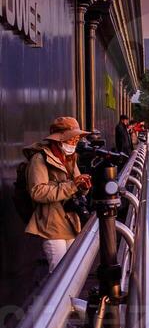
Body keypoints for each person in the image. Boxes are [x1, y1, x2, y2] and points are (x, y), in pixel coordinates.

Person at [22, 117, 90, 273]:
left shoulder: (70, 158)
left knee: (72, 271)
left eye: (77, 139)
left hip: (70, 221)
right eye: (71, 138)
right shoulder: (39, 158)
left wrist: (83, 187)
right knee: (59, 275)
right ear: (60, 139)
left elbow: (75, 186)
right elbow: (37, 192)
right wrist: (72, 185)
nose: (74, 142)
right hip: (51, 223)